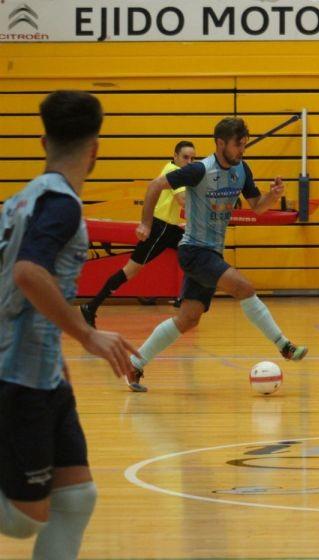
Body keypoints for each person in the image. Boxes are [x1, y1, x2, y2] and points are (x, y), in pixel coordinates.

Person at [0, 91, 139, 559]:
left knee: (77, 499)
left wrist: (56, 352)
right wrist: (87, 334)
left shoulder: (21, 200)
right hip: (18, 376)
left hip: (41, 372)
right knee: (23, 518)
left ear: (43, 141)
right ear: (96, 148)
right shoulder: (61, 203)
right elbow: (27, 273)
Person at [125, 117, 306, 392]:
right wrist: (146, 224)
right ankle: (284, 346)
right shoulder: (199, 170)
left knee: (188, 319)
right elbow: (154, 186)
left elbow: (257, 207)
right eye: (238, 145)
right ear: (220, 143)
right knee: (244, 287)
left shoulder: (241, 169)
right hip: (194, 250)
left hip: (211, 254)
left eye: (245, 144)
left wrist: (272, 195)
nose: (242, 150)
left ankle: (134, 364)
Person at [80, 141, 197, 327]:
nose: (189, 161)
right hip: (160, 229)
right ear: (175, 156)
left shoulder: (179, 173)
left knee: (195, 254)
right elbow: (183, 200)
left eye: (193, 159)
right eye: (185, 157)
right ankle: (91, 307)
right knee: (131, 270)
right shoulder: (174, 171)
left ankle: (184, 299)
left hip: (171, 228)